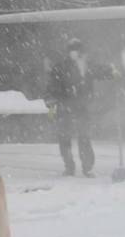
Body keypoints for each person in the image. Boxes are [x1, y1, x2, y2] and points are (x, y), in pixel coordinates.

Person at [45, 37, 112, 177]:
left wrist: (112, 72)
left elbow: (100, 71)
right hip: (65, 107)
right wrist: (51, 105)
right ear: (68, 52)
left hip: (82, 107)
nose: (75, 53)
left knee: (84, 137)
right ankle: (69, 166)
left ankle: (87, 167)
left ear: (81, 51)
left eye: (77, 50)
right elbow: (52, 88)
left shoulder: (86, 65)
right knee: (65, 138)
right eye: (72, 50)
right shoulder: (61, 67)